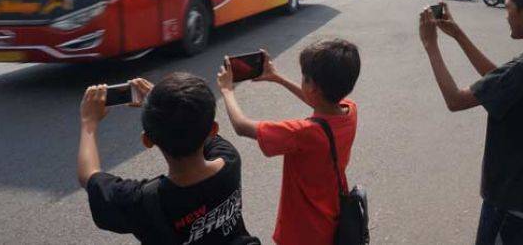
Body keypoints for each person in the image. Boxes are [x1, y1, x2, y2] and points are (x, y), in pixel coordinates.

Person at [418, 0, 523, 245]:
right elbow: (501, 81)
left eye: (508, 6)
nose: (505, 13)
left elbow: (455, 100)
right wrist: (458, 35)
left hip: (512, 203)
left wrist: (431, 46)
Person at [77, 74, 260, 245]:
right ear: (213, 130)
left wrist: (88, 122)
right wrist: (166, 102)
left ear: (147, 141)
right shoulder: (229, 159)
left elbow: (89, 175)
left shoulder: (142, 202)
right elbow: (195, 122)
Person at [216, 40, 360, 245]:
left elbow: (241, 126)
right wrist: (277, 78)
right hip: (332, 216)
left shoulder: (304, 133)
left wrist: (227, 91)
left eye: (304, 77)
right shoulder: (349, 110)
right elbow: (317, 100)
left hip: (303, 230)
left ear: (313, 87)